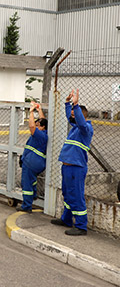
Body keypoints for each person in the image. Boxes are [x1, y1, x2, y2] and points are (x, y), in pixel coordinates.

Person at [50, 89, 93, 236]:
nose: (72, 117)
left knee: (77, 195)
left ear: (82, 116)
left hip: (77, 168)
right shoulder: (75, 128)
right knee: (67, 194)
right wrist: (67, 103)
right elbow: (71, 117)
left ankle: (81, 226)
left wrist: (75, 104)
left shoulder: (85, 129)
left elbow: (80, 121)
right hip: (67, 167)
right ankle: (67, 219)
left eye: (75, 114)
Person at [18, 101, 48, 213]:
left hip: (31, 162)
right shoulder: (45, 131)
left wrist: (31, 112)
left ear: (42, 127)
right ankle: (33, 195)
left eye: (38, 125)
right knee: (32, 180)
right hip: (37, 163)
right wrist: (39, 110)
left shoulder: (39, 135)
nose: (35, 126)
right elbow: (43, 120)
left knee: (26, 183)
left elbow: (31, 126)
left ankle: (26, 206)